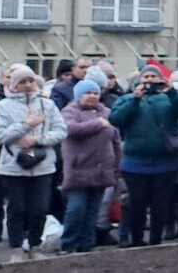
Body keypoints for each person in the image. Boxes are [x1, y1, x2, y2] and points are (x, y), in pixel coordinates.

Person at [111, 69, 178, 246]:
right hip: (135, 162)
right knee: (137, 204)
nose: (150, 80)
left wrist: (172, 91)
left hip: (165, 162)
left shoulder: (168, 98)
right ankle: (136, 240)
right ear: (139, 80)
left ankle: (156, 239)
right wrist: (135, 100)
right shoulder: (127, 99)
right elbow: (116, 119)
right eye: (146, 77)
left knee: (161, 204)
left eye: (154, 77)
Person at [0, 64, 66, 261]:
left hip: (43, 165)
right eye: (22, 81)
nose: (28, 84)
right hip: (13, 167)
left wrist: (37, 139)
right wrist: (26, 125)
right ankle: (16, 248)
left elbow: (60, 131)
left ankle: (35, 246)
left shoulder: (47, 105)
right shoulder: (3, 106)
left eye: (31, 80)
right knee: (17, 209)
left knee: (39, 209)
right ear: (14, 85)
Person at [58, 79, 119, 253]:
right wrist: (98, 123)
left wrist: (117, 164)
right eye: (88, 93)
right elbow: (70, 130)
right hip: (79, 169)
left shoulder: (107, 112)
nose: (92, 96)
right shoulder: (69, 111)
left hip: (102, 170)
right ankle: (68, 243)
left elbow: (115, 140)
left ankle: (87, 243)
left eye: (95, 93)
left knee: (94, 210)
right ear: (78, 95)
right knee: (76, 208)